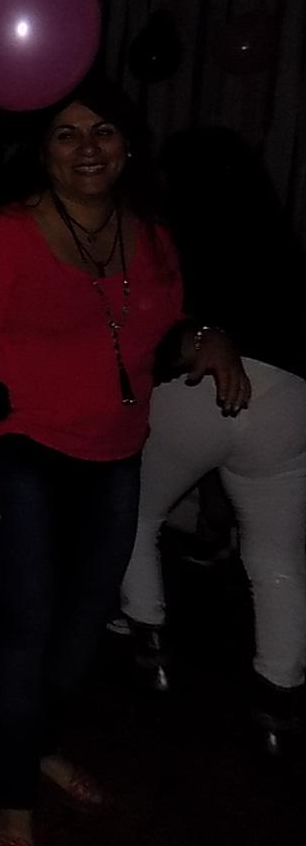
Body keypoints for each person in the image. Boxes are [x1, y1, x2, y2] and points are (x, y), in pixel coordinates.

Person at [0, 82, 250, 846]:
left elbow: (160, 342)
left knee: (80, 633)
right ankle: (13, 802)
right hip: (22, 455)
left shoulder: (152, 238)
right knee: (25, 627)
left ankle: (34, 744)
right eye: (67, 134)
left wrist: (208, 339)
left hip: (114, 459)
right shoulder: (8, 235)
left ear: (128, 145)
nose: (87, 148)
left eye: (103, 131)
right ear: (43, 153)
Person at [120, 127, 305, 756]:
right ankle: (279, 695)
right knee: (277, 555)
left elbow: (150, 329)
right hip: (289, 396)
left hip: (199, 381)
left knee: (136, 512)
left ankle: (149, 642)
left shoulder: (169, 238)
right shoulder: (281, 245)